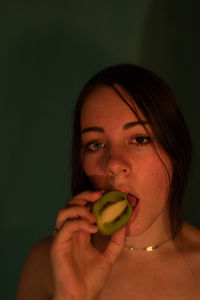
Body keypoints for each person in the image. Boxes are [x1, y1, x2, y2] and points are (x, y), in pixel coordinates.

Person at [16, 64, 200, 300]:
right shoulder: (47, 263)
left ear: (175, 151)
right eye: (95, 144)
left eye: (139, 139)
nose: (113, 163)